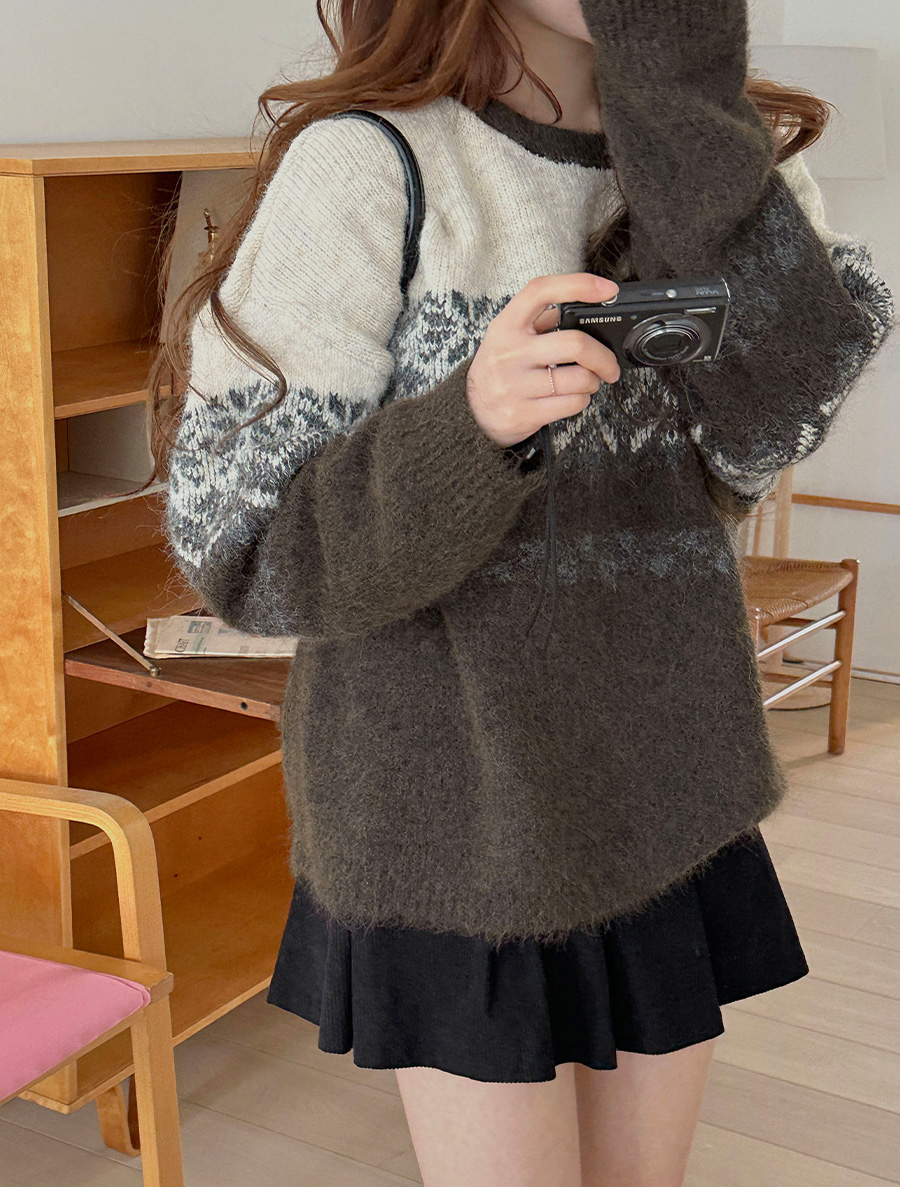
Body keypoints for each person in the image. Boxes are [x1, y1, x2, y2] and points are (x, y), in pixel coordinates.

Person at [153, 1, 895, 1183]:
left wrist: (685, 113)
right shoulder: (370, 164)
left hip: (666, 785)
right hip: (457, 813)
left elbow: (761, 436)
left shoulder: (723, 163)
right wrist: (474, 422)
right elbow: (250, 551)